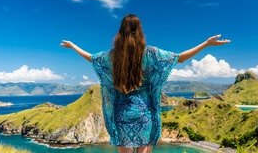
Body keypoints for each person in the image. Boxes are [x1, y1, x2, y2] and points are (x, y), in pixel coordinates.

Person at [60, 14, 230, 153]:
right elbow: (180, 58)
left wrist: (74, 46)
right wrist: (206, 44)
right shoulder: (151, 53)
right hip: (145, 115)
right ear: (140, 30)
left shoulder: (113, 56)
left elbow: (92, 58)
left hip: (122, 116)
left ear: (120, 31)